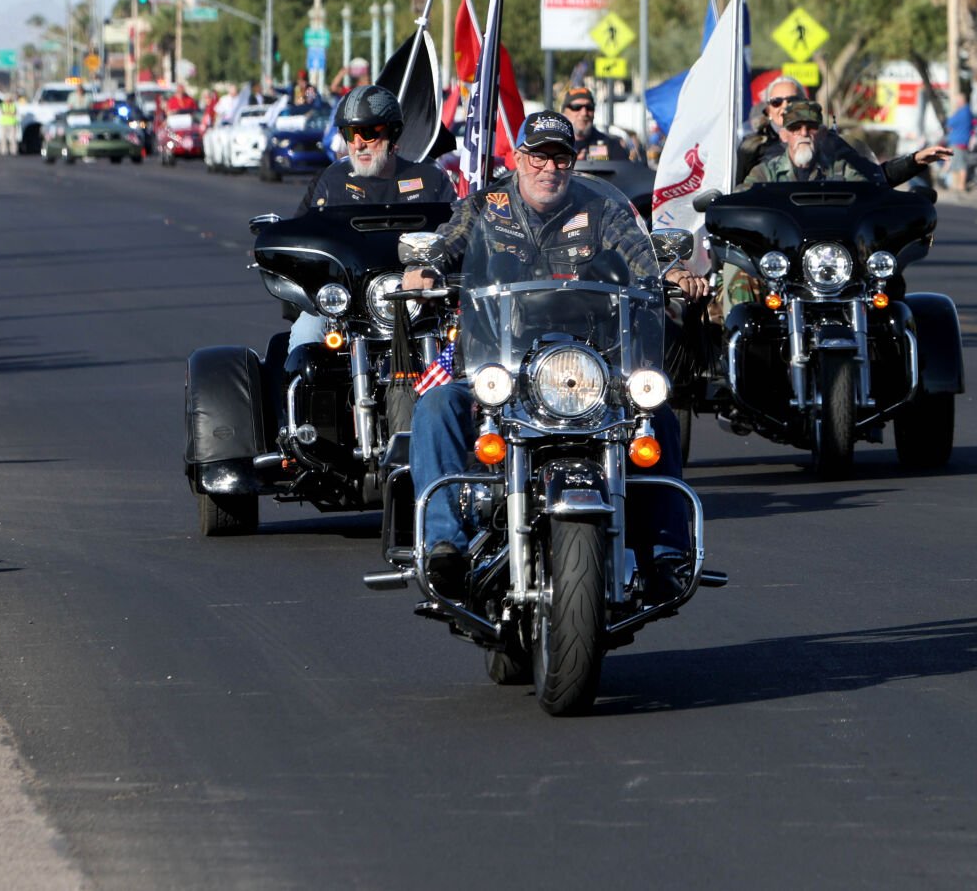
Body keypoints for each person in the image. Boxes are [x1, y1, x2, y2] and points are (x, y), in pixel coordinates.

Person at [400, 112, 710, 593]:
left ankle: (667, 553)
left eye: (560, 157)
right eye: (539, 155)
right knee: (435, 407)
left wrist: (668, 276)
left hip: (586, 369)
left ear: (572, 162)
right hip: (498, 364)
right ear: (519, 158)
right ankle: (445, 545)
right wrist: (427, 268)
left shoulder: (600, 211)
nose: (550, 167)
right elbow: (450, 242)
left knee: (658, 417)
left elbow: (638, 253)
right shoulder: (487, 206)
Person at [287, 86, 459, 359]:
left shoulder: (429, 178)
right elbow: (301, 234)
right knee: (306, 334)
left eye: (368, 132)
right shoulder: (329, 181)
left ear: (392, 133)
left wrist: (435, 268)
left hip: (422, 297)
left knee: (468, 333)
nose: (358, 143)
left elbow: (457, 230)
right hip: (347, 299)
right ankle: (297, 399)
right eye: (349, 133)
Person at [745, 100, 953, 187]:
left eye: (811, 127)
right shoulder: (764, 174)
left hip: (835, 256)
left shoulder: (842, 170)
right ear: (783, 135)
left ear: (823, 133)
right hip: (780, 257)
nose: (804, 133)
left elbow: (876, 184)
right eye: (795, 128)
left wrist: (915, 161)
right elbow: (737, 205)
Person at [737, 76, 802, 183]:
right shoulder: (751, 147)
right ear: (768, 110)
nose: (785, 107)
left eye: (792, 100)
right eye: (776, 102)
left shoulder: (821, 141)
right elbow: (739, 192)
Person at [559, 86, 633, 161]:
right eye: (576, 107)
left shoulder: (611, 146)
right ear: (564, 112)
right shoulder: (555, 145)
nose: (584, 113)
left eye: (589, 107)